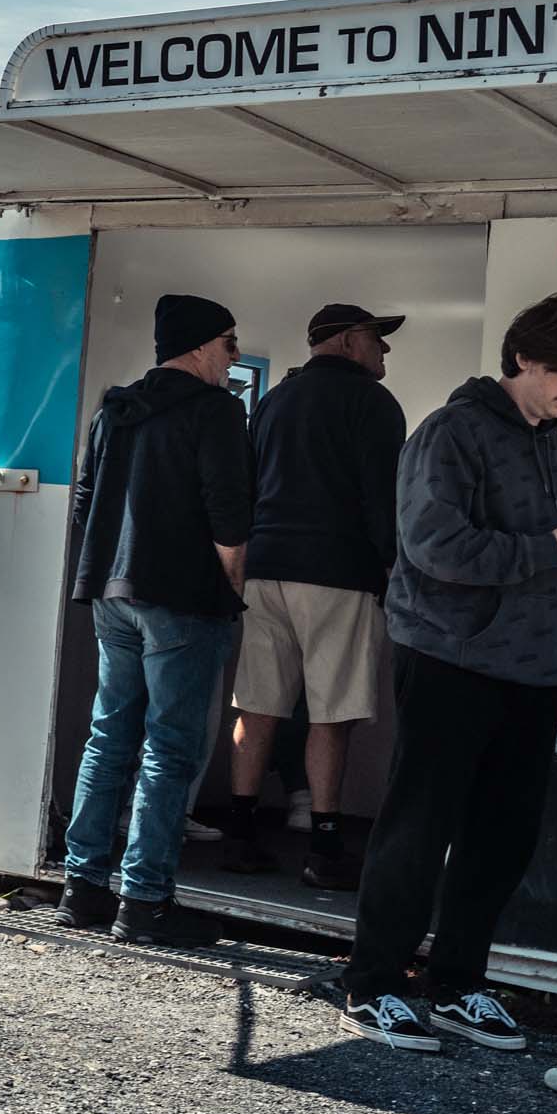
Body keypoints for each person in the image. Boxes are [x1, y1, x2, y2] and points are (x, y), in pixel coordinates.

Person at [335, 295, 557, 1054]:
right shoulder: (449, 433)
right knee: (419, 825)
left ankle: (458, 985)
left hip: (538, 666)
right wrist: (554, 551)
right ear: (524, 359)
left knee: (503, 837)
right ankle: (371, 985)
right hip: (450, 658)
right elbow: (435, 549)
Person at [57, 295, 253, 948]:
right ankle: (143, 905)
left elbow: (84, 500)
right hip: (183, 600)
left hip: (113, 595)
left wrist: (114, 562)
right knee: (170, 750)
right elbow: (229, 511)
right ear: (200, 345)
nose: (233, 357)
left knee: (108, 736)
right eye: (230, 344)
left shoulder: (115, 408)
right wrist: (231, 578)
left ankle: (81, 889)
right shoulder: (217, 411)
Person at [220, 303, 410, 890]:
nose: (385, 351)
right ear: (350, 342)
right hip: (337, 571)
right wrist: (394, 566)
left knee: (257, 705)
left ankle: (240, 833)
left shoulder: (274, 400)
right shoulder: (375, 405)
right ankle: (325, 846)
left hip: (265, 566)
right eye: (378, 340)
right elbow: (384, 500)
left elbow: (247, 482)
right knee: (334, 709)